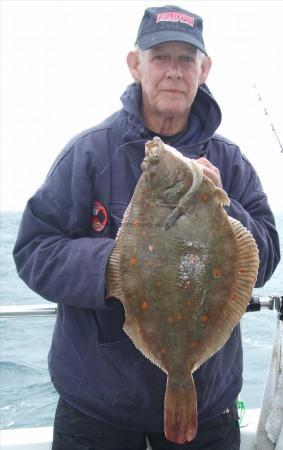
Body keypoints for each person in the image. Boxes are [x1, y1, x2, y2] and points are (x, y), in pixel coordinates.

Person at [13, 5, 280, 450]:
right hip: (98, 416)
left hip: (208, 408)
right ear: (136, 65)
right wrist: (117, 268)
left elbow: (266, 253)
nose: (174, 71)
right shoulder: (88, 154)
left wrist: (224, 206)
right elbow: (34, 251)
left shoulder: (230, 163)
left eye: (186, 59)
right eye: (160, 57)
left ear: (204, 70)